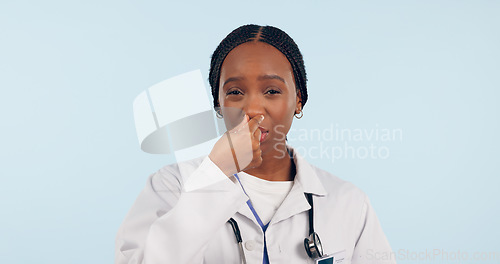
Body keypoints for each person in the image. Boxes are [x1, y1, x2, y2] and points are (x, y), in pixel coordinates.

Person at [115, 24, 396, 264]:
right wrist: (214, 173)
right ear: (218, 104)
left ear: (298, 99)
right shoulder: (171, 186)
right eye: (235, 92)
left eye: (272, 91)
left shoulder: (348, 202)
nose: (252, 108)